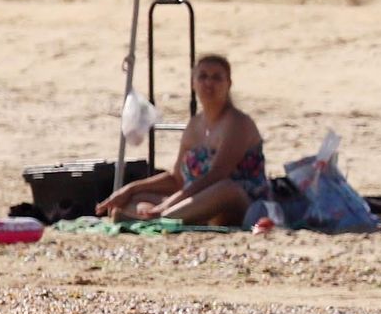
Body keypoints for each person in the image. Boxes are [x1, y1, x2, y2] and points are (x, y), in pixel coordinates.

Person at [96, 54, 267, 226]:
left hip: (237, 202)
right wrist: (130, 189)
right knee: (136, 198)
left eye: (217, 78)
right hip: (191, 199)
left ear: (228, 84)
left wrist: (167, 205)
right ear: (193, 83)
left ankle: (160, 219)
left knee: (227, 189)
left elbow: (216, 176)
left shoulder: (237, 122)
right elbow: (177, 179)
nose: (209, 83)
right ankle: (165, 216)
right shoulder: (194, 125)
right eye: (203, 77)